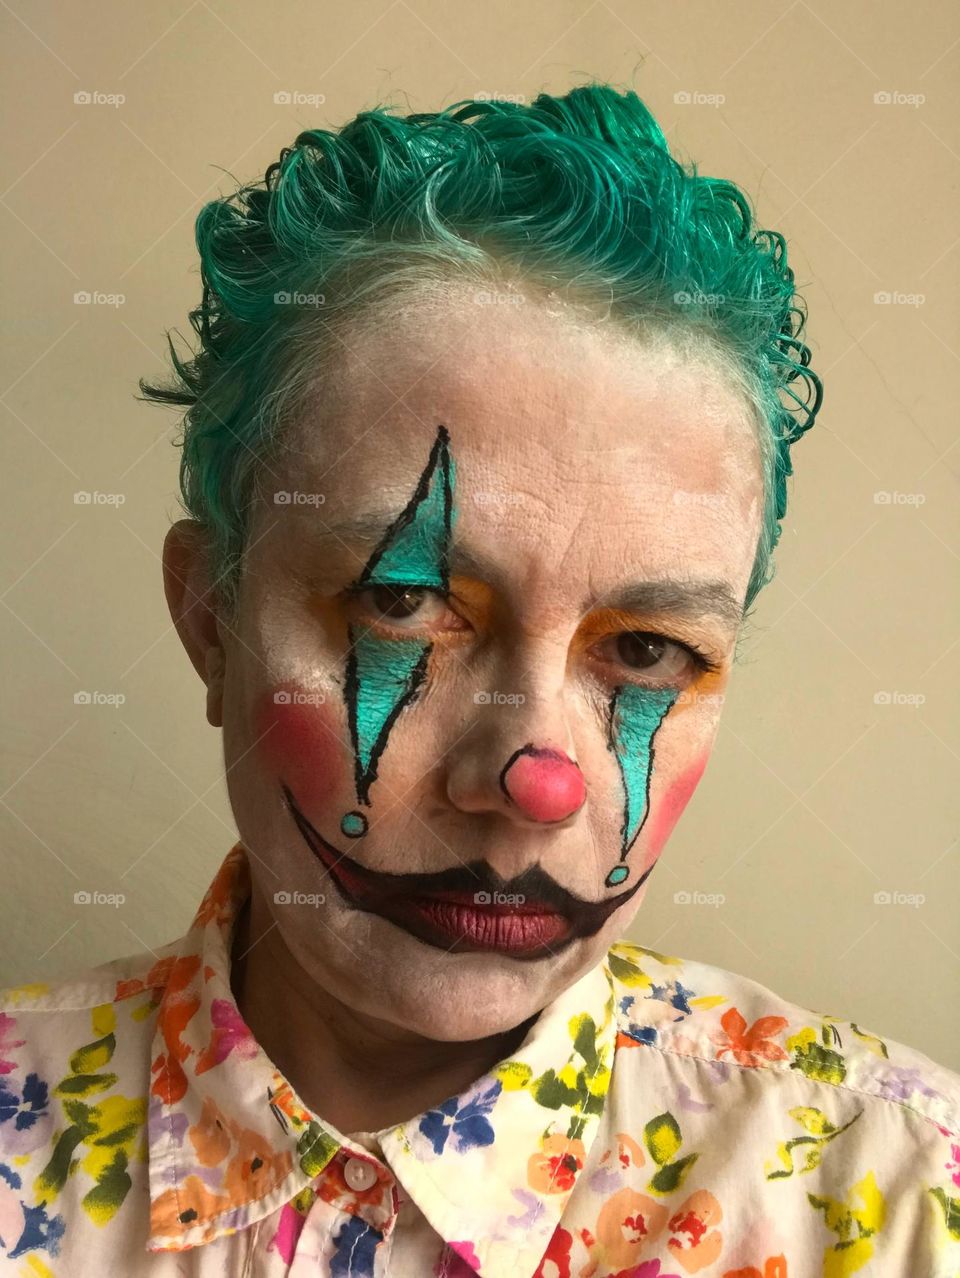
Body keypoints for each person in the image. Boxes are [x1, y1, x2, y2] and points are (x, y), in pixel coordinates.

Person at [1, 84, 957, 1278]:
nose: (537, 782)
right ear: (209, 615)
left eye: (648, 650)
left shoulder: (904, 1197)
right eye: (404, 605)